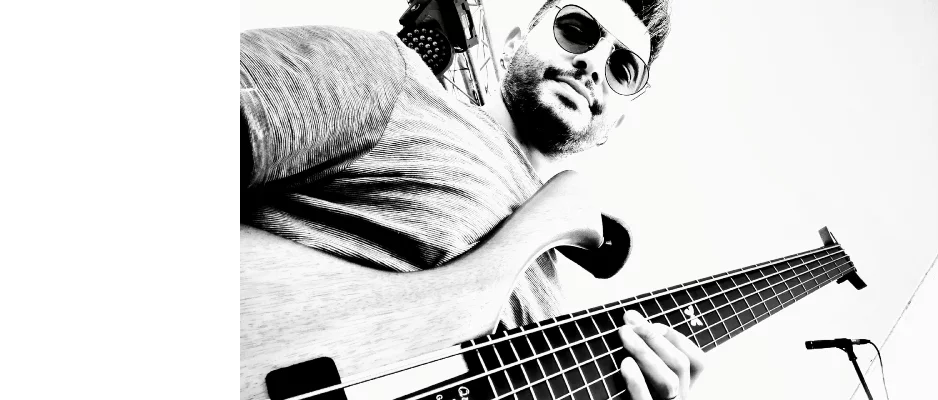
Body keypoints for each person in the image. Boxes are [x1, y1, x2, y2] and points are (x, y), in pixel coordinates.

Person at [239, 0, 704, 399]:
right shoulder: (397, 80)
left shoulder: (556, 314)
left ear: (615, 125)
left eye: (623, 69)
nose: (595, 65)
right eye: (576, 31)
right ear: (512, 44)